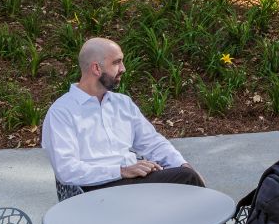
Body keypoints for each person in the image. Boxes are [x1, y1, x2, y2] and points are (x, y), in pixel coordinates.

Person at [43, 37, 205, 194]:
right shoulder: (62, 112)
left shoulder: (122, 103)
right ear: (96, 68)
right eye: (116, 62)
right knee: (187, 179)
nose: (123, 68)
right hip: (93, 190)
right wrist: (121, 171)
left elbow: (153, 143)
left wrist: (182, 164)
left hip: (131, 183)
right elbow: (66, 170)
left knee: (187, 175)